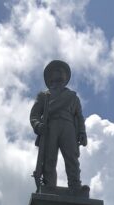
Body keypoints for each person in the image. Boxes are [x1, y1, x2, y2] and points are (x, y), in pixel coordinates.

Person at [30, 60, 87, 188]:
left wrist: (82, 132)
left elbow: (79, 116)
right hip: (50, 127)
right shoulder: (44, 96)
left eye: (63, 71)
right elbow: (34, 115)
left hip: (68, 127)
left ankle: (75, 186)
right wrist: (38, 125)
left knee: (72, 157)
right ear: (50, 76)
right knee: (49, 159)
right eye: (57, 70)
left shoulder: (72, 97)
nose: (61, 73)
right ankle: (49, 186)